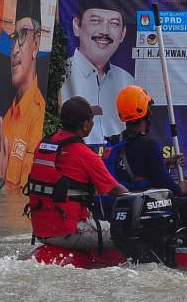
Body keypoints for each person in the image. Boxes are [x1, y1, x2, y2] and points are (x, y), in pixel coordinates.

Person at [103, 85, 187, 248]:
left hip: (125, 205)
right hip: (148, 206)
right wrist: (180, 189)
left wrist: (165, 162)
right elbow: (164, 183)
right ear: (146, 112)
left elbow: (135, 170)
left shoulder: (115, 141)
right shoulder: (149, 144)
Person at [26, 97, 128, 251]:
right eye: (91, 119)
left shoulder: (44, 144)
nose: (93, 123)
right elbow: (115, 190)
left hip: (41, 229)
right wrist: (141, 200)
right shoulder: (85, 154)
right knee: (127, 232)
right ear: (85, 126)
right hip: (69, 230)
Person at [0, 0, 47, 194]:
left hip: (21, 227)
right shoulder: (7, 117)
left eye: (23, 36)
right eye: (14, 38)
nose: (15, 50)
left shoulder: (38, 114)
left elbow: (26, 194)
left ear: (36, 43)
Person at [61, 0, 135, 143]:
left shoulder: (128, 81)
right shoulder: (61, 75)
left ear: (122, 34)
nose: (104, 31)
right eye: (95, 21)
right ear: (76, 25)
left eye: (114, 23)